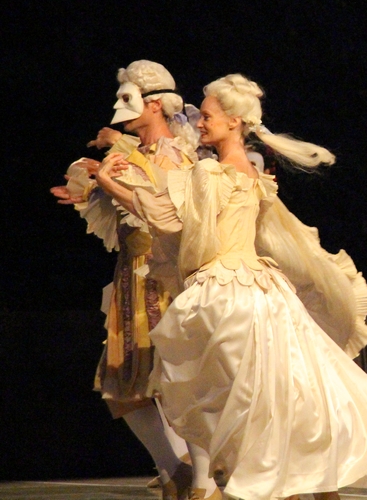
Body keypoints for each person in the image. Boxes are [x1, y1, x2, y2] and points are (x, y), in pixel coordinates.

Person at [95, 74, 367, 500]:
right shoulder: (250, 173)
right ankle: (313, 485)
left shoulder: (213, 172)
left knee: (247, 400)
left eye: (208, 115)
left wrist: (111, 183)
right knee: (281, 393)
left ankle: (270, 483)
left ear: (234, 121)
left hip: (226, 294)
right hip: (261, 291)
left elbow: (171, 222)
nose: (199, 122)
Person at [50, 60, 202, 500]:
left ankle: (202, 478)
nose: (120, 109)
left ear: (154, 105)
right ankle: (174, 468)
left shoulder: (177, 152)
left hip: (165, 274)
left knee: (177, 379)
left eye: (130, 99)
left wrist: (122, 150)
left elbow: (165, 203)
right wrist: (89, 186)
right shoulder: (128, 154)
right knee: (123, 383)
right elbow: (119, 198)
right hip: (130, 277)